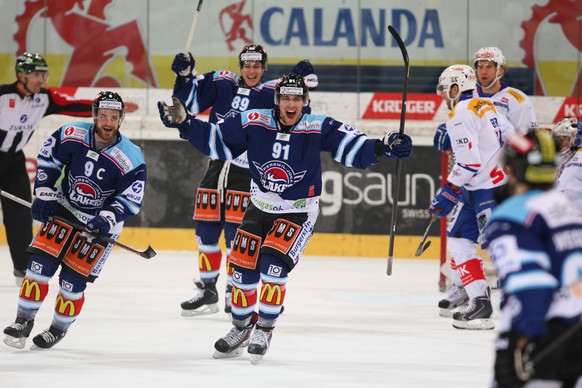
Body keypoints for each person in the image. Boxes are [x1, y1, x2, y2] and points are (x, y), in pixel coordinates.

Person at [158, 73, 412, 363]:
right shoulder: (253, 119)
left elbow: (352, 145)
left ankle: (265, 328)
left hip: (298, 210)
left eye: (297, 98)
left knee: (273, 269)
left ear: (305, 102)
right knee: (241, 274)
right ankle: (241, 329)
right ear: (277, 100)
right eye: (286, 98)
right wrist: (186, 123)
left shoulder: (318, 125)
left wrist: (384, 145)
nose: (291, 104)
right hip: (259, 206)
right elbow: (218, 141)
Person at [171, 44, 318, 316]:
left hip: (247, 171)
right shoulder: (222, 81)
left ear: (264, 67)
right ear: (241, 66)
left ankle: (231, 290)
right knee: (206, 231)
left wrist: (303, 81)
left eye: (257, 65)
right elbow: (187, 102)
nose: (252, 70)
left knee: (236, 235)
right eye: (247, 65)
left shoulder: (272, 92)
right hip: (216, 167)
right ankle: (207, 289)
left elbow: (298, 109)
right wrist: (185, 75)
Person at [2, 91, 146, 350]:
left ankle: (58, 328)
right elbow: (48, 161)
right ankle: (23, 321)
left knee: (72, 284)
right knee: (37, 269)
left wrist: (106, 219)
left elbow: (131, 198)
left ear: (121, 119)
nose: (108, 122)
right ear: (94, 115)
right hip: (65, 209)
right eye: (103, 115)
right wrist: (45, 195)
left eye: (114, 117)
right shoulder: (71, 134)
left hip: (99, 225)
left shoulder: (131, 156)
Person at [0, 52, 138, 286]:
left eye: (43, 74)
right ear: (21, 75)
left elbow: (73, 105)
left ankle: (22, 267)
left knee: (20, 215)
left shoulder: (43, 98)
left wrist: (104, 109)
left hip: (14, 161)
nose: (41, 79)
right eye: (36, 74)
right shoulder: (3, 95)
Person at [482, 129, 582, 387]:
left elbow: (531, 286)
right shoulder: (566, 208)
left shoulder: (512, 216)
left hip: (546, 336)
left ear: (513, 169)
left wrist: (518, 341)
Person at [428, 64, 514, 330]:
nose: (443, 95)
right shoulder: (486, 105)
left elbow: (469, 163)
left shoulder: (459, 113)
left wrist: (449, 190)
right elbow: (513, 139)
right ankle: (480, 301)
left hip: (486, 189)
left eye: (445, 89)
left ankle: (526, 300)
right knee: (459, 241)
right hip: (479, 187)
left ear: (455, 88)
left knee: (499, 247)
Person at [552, 117, 582, 209]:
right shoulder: (558, 159)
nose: (560, 143)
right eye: (558, 139)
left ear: (576, 139)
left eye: (564, 138)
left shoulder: (580, 156)